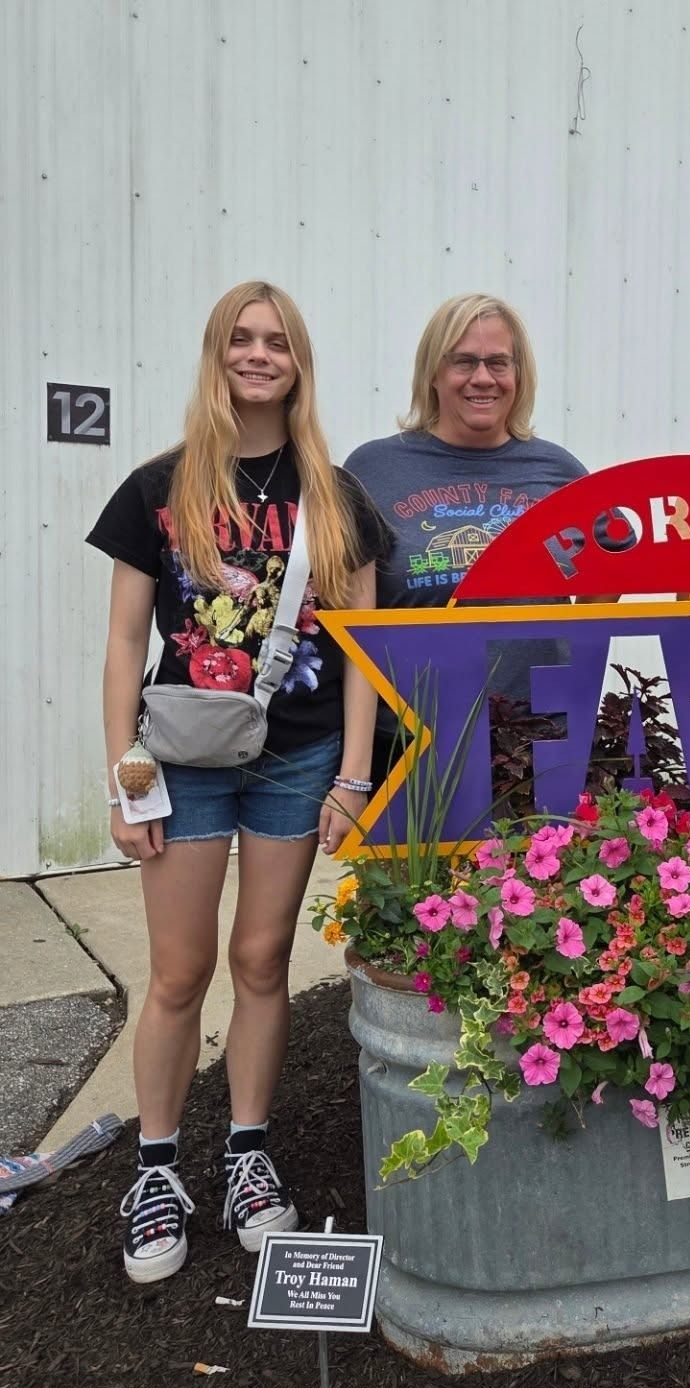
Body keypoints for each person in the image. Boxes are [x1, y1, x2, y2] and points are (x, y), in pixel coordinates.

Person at [87, 281, 390, 1283]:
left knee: (262, 962)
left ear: (298, 364)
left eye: (278, 343)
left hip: (298, 760)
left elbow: (359, 653)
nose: (259, 356)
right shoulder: (157, 491)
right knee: (178, 972)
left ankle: (248, 1156)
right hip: (182, 759)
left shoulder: (335, 498)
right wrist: (124, 773)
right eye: (241, 340)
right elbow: (127, 638)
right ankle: (160, 1168)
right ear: (217, 355)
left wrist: (353, 775)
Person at [344, 293, 589, 787]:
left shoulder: (558, 472)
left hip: (535, 742)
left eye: (499, 362)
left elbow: (614, 566)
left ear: (519, 375)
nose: (483, 377)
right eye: (463, 362)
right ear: (433, 374)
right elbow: (353, 622)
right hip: (410, 745)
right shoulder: (372, 470)